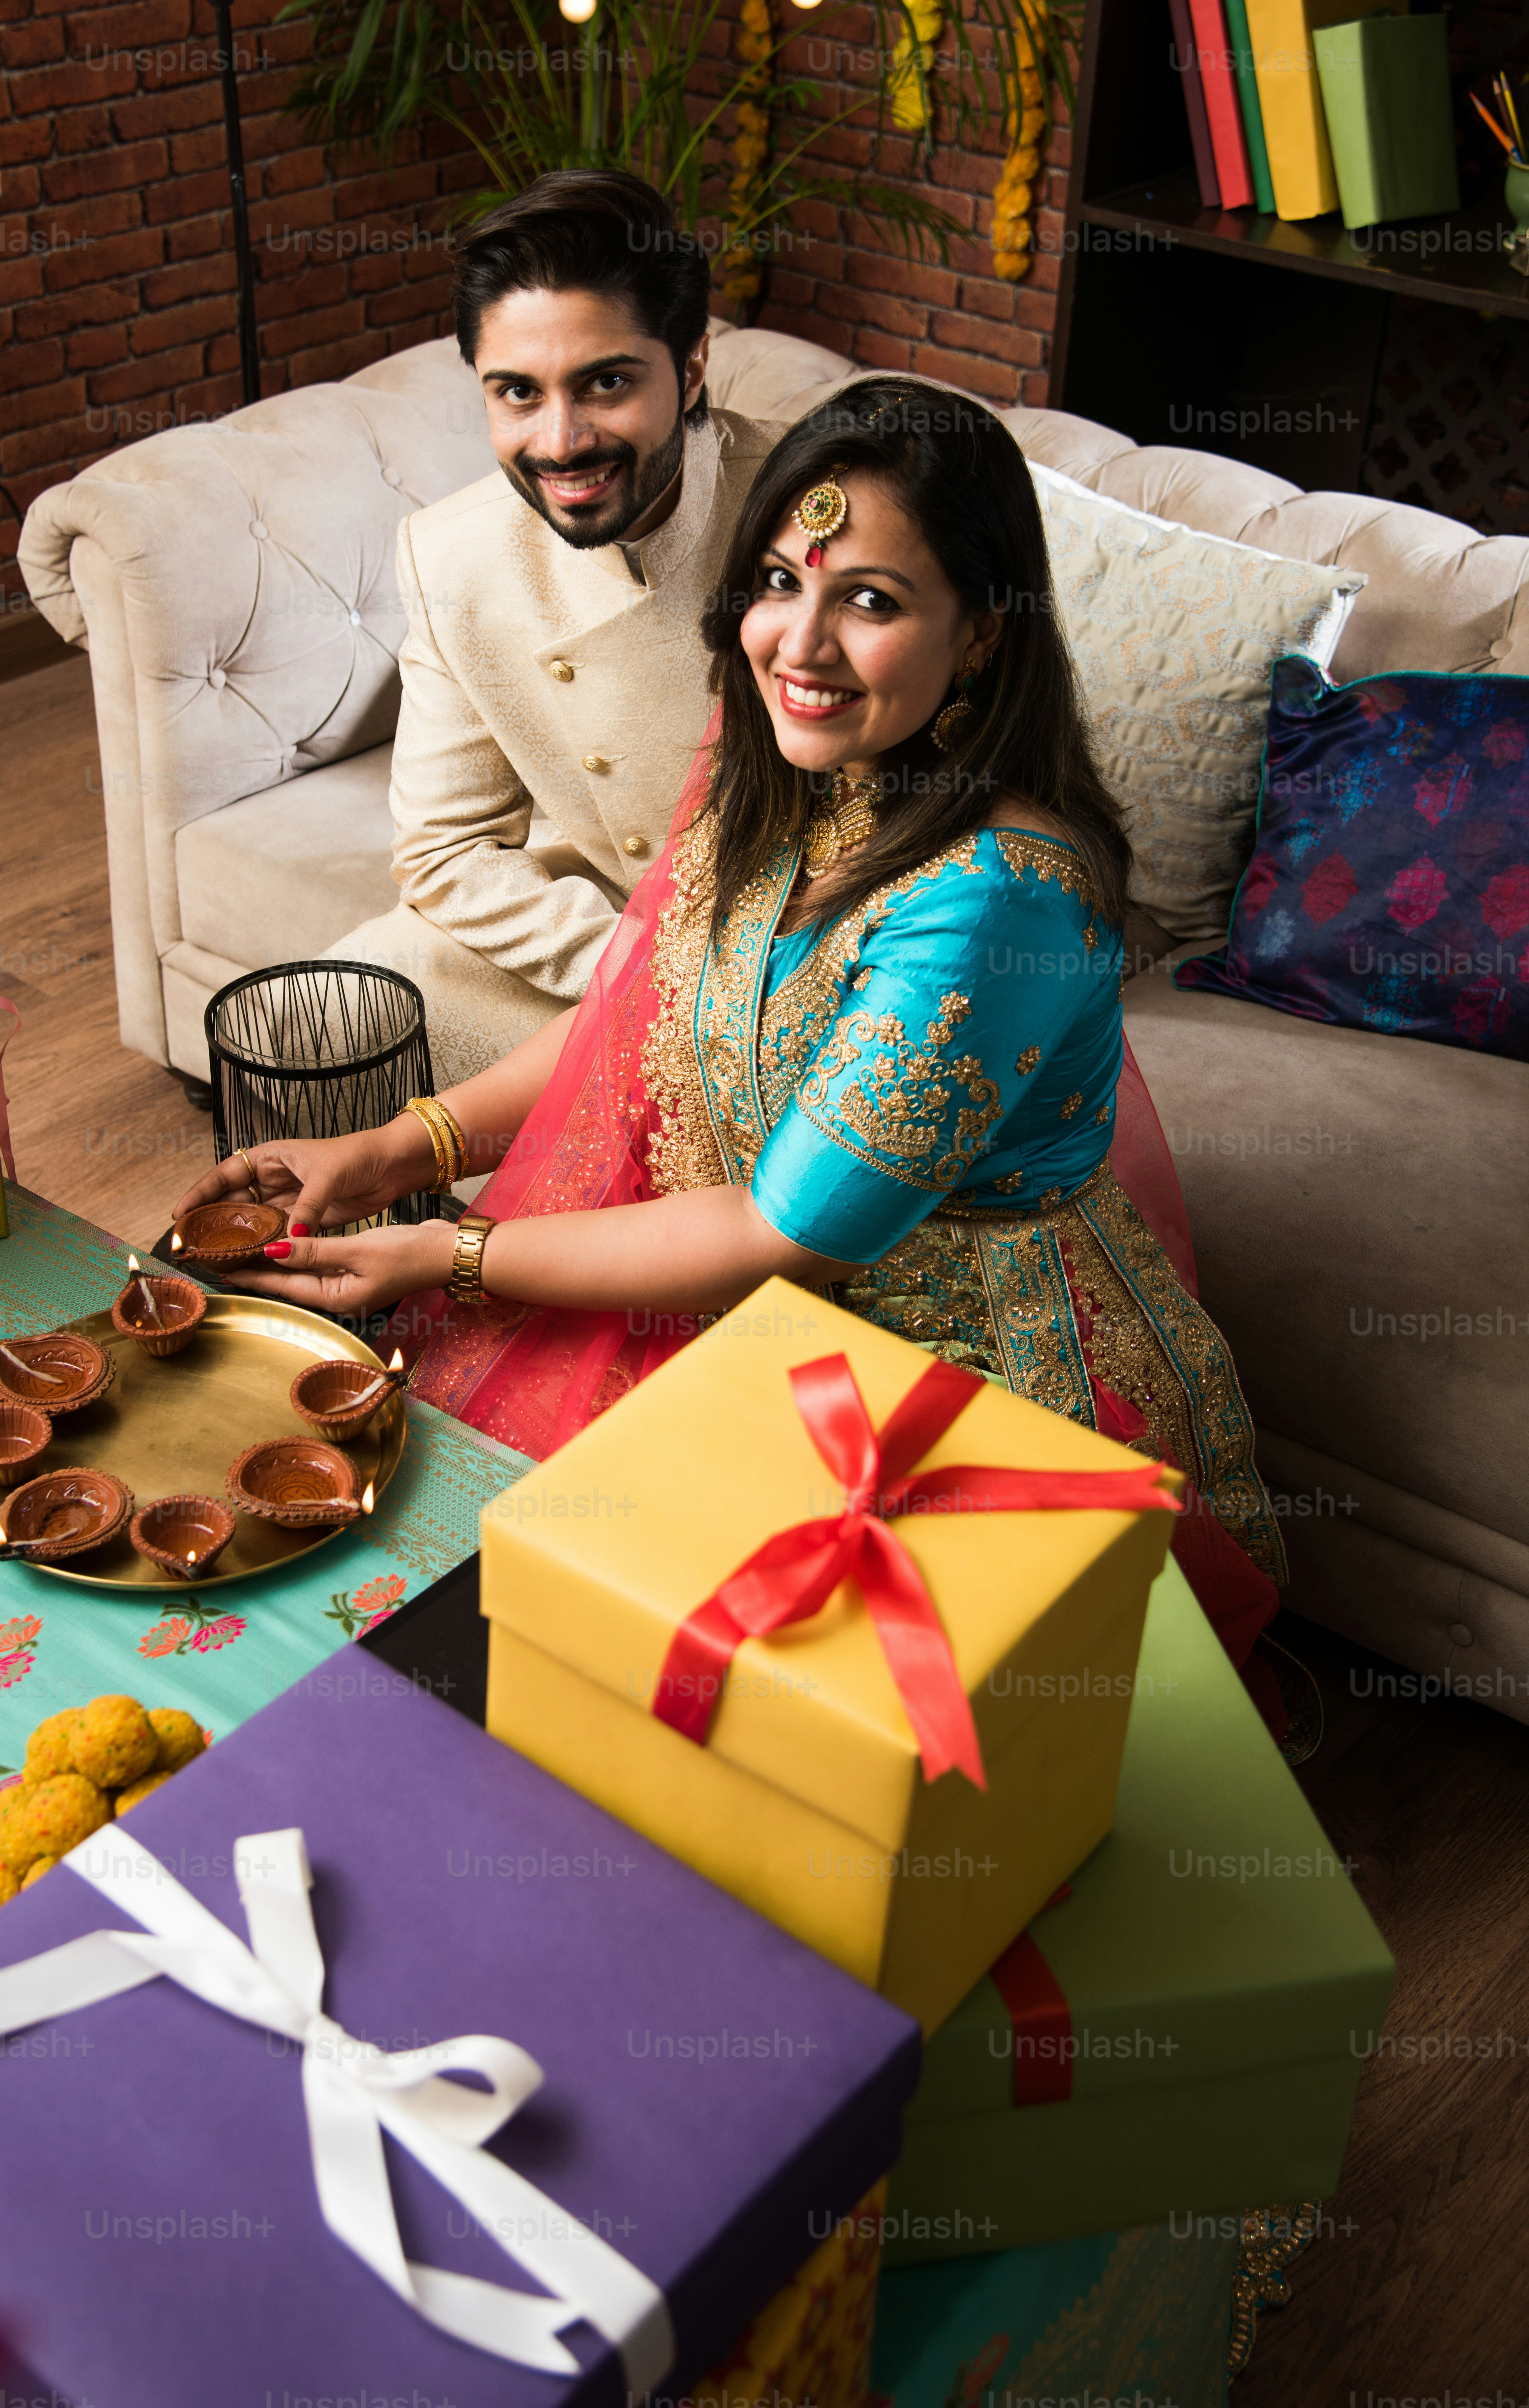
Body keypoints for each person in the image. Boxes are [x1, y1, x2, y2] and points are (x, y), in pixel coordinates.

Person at [171, 376, 1286, 1676]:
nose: (797, 644)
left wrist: (443, 1253)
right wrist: (390, 1150)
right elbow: (630, 1013)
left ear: (982, 632)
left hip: (946, 1366)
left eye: (870, 599)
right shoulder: (784, 760)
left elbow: (778, 1231)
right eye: (775, 580)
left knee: (676, 1693)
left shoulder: (997, 902)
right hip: (729, 1279)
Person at [342, 168, 786, 1047]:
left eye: (606, 384)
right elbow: (445, 851)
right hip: (620, 941)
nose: (560, 442)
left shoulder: (809, 511)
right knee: (313, 1021)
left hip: (801, 966)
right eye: (518, 392)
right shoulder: (453, 557)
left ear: (691, 368)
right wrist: (636, 973)